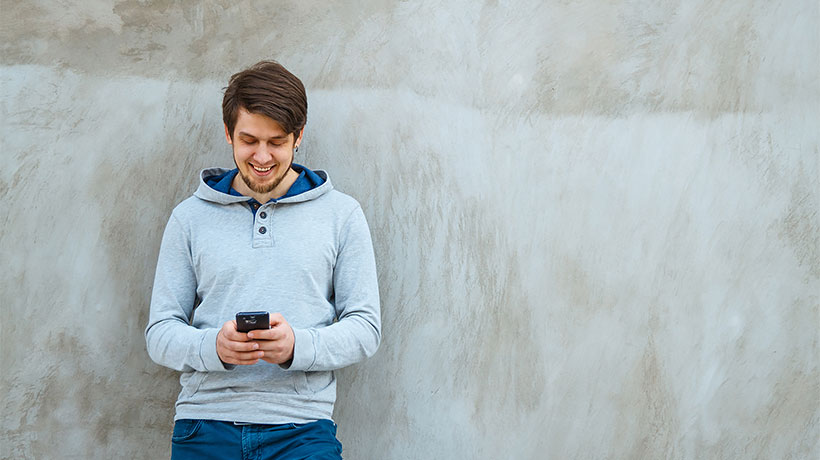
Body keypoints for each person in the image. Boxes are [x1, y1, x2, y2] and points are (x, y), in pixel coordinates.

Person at [145, 60, 381, 459]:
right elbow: (160, 333)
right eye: (249, 140)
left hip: (303, 430)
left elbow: (366, 327)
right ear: (228, 134)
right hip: (204, 426)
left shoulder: (342, 215)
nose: (262, 156)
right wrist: (214, 348)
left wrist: (297, 347)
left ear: (298, 136)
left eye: (276, 141)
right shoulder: (189, 217)